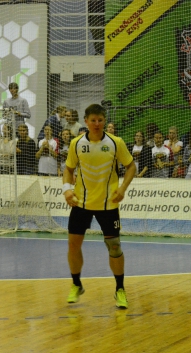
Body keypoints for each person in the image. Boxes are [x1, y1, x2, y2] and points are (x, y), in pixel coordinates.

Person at [62, 104, 136, 308]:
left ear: (105, 121)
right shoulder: (76, 143)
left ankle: (120, 289)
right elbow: (68, 170)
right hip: (81, 203)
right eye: (93, 120)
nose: (96, 124)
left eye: (100, 120)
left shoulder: (115, 142)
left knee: (114, 246)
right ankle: (76, 284)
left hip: (108, 204)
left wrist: (122, 188)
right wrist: (67, 190)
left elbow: (131, 166)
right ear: (86, 121)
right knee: (73, 245)